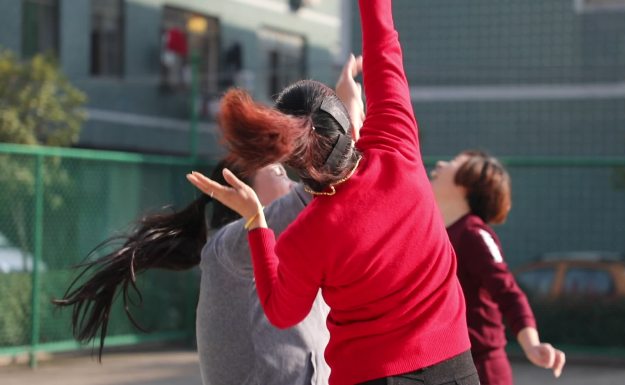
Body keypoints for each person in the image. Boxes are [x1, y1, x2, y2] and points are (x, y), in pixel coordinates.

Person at [186, 1, 478, 384]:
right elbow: (383, 47)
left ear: (296, 164)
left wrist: (257, 221)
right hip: (455, 366)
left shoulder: (306, 236)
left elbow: (282, 312)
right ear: (347, 122)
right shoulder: (398, 148)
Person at [53, 161, 331, 385]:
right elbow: (308, 201)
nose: (295, 182)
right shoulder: (226, 249)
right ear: (239, 192)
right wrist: (349, 121)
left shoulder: (297, 261)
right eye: (280, 172)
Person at [430, 150, 566, 385]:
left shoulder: (474, 234)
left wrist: (532, 345)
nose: (441, 163)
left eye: (453, 162)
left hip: (483, 369)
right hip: (447, 366)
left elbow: (508, 292)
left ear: (467, 184)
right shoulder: (436, 232)